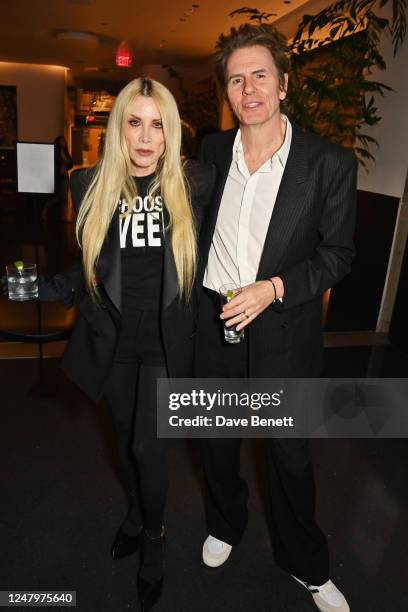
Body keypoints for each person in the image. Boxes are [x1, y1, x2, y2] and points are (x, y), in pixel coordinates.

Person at [26, 77, 214, 611]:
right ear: (119, 129)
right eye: (135, 122)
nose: (146, 137)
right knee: (125, 440)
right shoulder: (88, 184)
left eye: (158, 124)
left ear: (172, 131)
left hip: (163, 344)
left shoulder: (196, 182)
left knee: (146, 448)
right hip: (112, 343)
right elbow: (85, 271)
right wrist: (38, 287)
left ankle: (153, 543)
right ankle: (135, 513)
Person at [195, 24, 357, 612]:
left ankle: (306, 564)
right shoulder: (213, 151)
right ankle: (224, 522)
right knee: (215, 439)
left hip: (282, 329)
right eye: (236, 79)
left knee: (289, 454)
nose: (249, 89)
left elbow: (338, 254)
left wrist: (275, 288)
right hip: (212, 324)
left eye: (260, 74)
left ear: (284, 83)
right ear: (228, 92)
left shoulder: (329, 164)